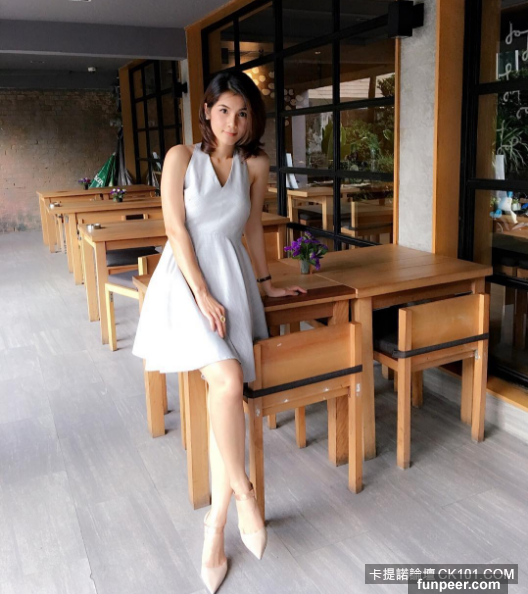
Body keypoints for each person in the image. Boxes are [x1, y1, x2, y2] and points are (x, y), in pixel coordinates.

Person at [132, 70, 307, 593]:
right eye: (224, 110)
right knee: (229, 381)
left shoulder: (256, 165)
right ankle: (245, 493)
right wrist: (203, 293)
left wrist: (268, 286)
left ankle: (214, 528)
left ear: (253, 119)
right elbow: (175, 228)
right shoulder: (180, 157)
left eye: (243, 113)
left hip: (233, 281)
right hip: (186, 282)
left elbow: (251, 227)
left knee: (224, 397)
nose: (233, 122)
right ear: (207, 111)